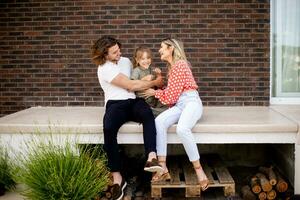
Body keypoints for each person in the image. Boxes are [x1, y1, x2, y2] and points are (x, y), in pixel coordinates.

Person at [91, 36, 164, 200]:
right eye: (114, 52)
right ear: (105, 54)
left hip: (133, 100)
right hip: (115, 104)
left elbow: (137, 82)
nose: (119, 53)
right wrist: (155, 82)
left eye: (119, 49)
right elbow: (131, 85)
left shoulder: (125, 61)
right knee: (108, 127)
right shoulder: (104, 68)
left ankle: (152, 158)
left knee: (147, 114)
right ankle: (117, 178)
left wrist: (153, 78)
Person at [143, 38, 209, 191]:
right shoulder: (171, 68)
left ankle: (199, 170)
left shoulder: (180, 65)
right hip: (180, 104)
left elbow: (170, 96)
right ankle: (162, 166)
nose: (159, 50)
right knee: (159, 122)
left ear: (171, 48)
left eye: (162, 47)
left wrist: (155, 92)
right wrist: (158, 85)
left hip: (191, 101)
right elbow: (172, 95)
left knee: (182, 129)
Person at [131, 46, 167, 117]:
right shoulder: (136, 71)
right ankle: (152, 112)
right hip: (143, 100)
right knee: (144, 109)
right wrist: (143, 79)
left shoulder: (152, 70)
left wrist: (159, 75)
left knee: (166, 104)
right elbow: (133, 85)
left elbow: (160, 85)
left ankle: (156, 111)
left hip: (154, 99)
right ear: (137, 60)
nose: (146, 61)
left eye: (148, 58)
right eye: (143, 59)